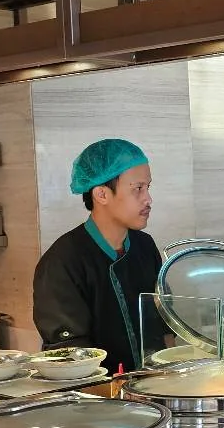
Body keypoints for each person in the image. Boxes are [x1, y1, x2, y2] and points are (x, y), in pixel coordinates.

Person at [33, 139, 170, 373]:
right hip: (95, 400)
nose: (148, 199)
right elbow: (68, 354)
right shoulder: (62, 261)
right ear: (101, 194)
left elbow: (165, 324)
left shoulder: (144, 246)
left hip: (153, 390)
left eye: (148, 187)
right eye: (138, 189)